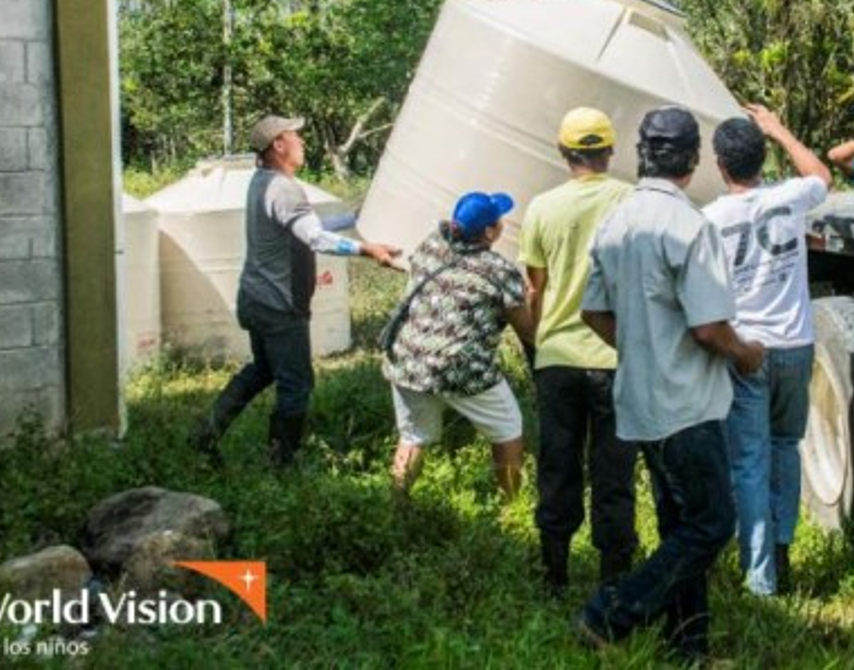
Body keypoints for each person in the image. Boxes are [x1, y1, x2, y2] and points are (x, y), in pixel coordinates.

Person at [574, 106, 765, 665]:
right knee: (711, 525)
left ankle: (690, 650)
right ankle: (608, 614)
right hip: (687, 404)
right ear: (693, 159)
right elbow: (709, 328)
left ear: (642, 154)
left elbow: (593, 313)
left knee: (681, 525)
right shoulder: (689, 225)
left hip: (640, 399)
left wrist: (641, 349)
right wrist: (747, 354)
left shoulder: (617, 220)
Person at [190, 115, 403, 467]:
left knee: (262, 370)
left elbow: (305, 226)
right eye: (295, 137)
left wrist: (354, 218)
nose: (302, 143)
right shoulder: (283, 188)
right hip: (279, 305)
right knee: (296, 384)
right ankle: (282, 461)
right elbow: (315, 237)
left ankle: (205, 434)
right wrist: (367, 250)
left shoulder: (263, 182)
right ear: (278, 145)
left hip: (255, 298)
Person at [703, 104, 831, 597]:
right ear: (763, 159)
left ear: (719, 164)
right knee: (785, 446)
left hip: (746, 351)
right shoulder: (790, 199)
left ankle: (760, 577)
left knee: (749, 461)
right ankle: (782, 549)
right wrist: (780, 129)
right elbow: (819, 173)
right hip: (795, 344)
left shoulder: (710, 219)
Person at [519, 107, 638, 594]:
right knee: (614, 472)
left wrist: (538, 344)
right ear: (609, 151)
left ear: (563, 152)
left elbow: (533, 291)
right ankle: (614, 581)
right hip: (615, 358)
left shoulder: (542, 208)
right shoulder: (631, 201)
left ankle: (555, 575)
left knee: (558, 464)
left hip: (558, 361)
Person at [383, 191, 535, 500]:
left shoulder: (431, 245)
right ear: (490, 232)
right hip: (459, 364)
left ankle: (396, 505)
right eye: (498, 220)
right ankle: (511, 506)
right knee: (508, 429)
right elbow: (527, 329)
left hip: (408, 359)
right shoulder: (499, 270)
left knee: (413, 436)